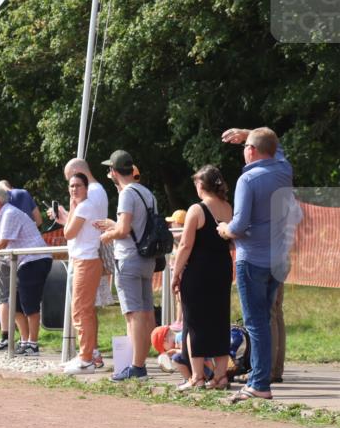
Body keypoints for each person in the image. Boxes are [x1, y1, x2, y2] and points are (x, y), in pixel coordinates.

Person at [216, 127, 294, 403]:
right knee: (267, 319)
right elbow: (275, 144)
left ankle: (259, 383)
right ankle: (262, 378)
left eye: (245, 145)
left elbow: (239, 226)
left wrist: (224, 229)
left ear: (251, 150)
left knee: (256, 323)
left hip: (253, 261)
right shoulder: (284, 169)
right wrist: (249, 133)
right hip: (279, 260)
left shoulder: (247, 179)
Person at [171, 165, 234, 390]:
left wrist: (176, 273)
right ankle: (220, 376)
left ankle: (197, 377)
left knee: (194, 322)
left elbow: (186, 245)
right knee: (219, 320)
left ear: (201, 185)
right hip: (222, 268)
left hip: (198, 270)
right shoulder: (228, 207)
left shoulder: (196, 210)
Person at [96, 150, 156, 381]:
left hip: (129, 258)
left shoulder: (126, 194)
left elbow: (123, 231)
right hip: (146, 259)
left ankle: (137, 367)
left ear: (113, 171)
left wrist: (106, 236)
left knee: (133, 314)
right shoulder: (146, 192)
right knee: (146, 311)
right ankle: (138, 363)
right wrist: (116, 226)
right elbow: (134, 226)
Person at [0, 181, 53, 355]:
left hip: (34, 260)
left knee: (29, 304)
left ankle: (33, 342)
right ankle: (24, 341)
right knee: (15, 304)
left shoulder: (9, 213)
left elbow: (3, 242)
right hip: (21, 262)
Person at [61, 172, 105, 374]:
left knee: (80, 310)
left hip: (85, 262)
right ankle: (86, 354)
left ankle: (86, 358)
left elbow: (68, 233)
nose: (74, 189)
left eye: (78, 185)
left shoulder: (85, 206)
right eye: (71, 186)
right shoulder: (82, 207)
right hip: (83, 260)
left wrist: (71, 208)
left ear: (86, 188)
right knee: (82, 310)